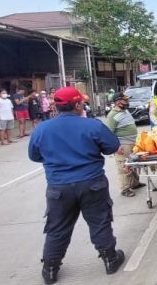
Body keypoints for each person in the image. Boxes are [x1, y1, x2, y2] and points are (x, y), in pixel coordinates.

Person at [28, 87, 125, 284]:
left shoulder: (42, 129)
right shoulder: (91, 125)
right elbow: (112, 146)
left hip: (59, 188)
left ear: (56, 106)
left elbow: (34, 155)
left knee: (57, 228)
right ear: (79, 104)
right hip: (92, 183)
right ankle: (110, 259)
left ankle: (50, 270)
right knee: (99, 221)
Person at [105, 93, 146, 197]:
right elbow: (108, 133)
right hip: (122, 145)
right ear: (118, 102)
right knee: (124, 167)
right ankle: (125, 188)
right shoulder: (112, 115)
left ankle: (135, 183)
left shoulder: (125, 111)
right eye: (125, 100)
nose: (127, 102)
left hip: (132, 143)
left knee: (133, 164)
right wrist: (116, 146)